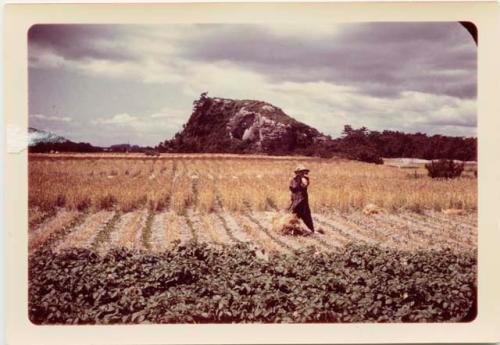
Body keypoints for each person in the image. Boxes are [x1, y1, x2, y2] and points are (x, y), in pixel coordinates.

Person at [288, 164, 316, 233]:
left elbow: (304, 185)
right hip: (295, 200)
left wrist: (301, 180)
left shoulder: (305, 179)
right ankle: (291, 229)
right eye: (300, 172)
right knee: (293, 216)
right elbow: (292, 188)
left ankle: (311, 230)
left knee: (306, 216)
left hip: (303, 200)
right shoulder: (293, 180)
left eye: (303, 172)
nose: (302, 173)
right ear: (297, 173)